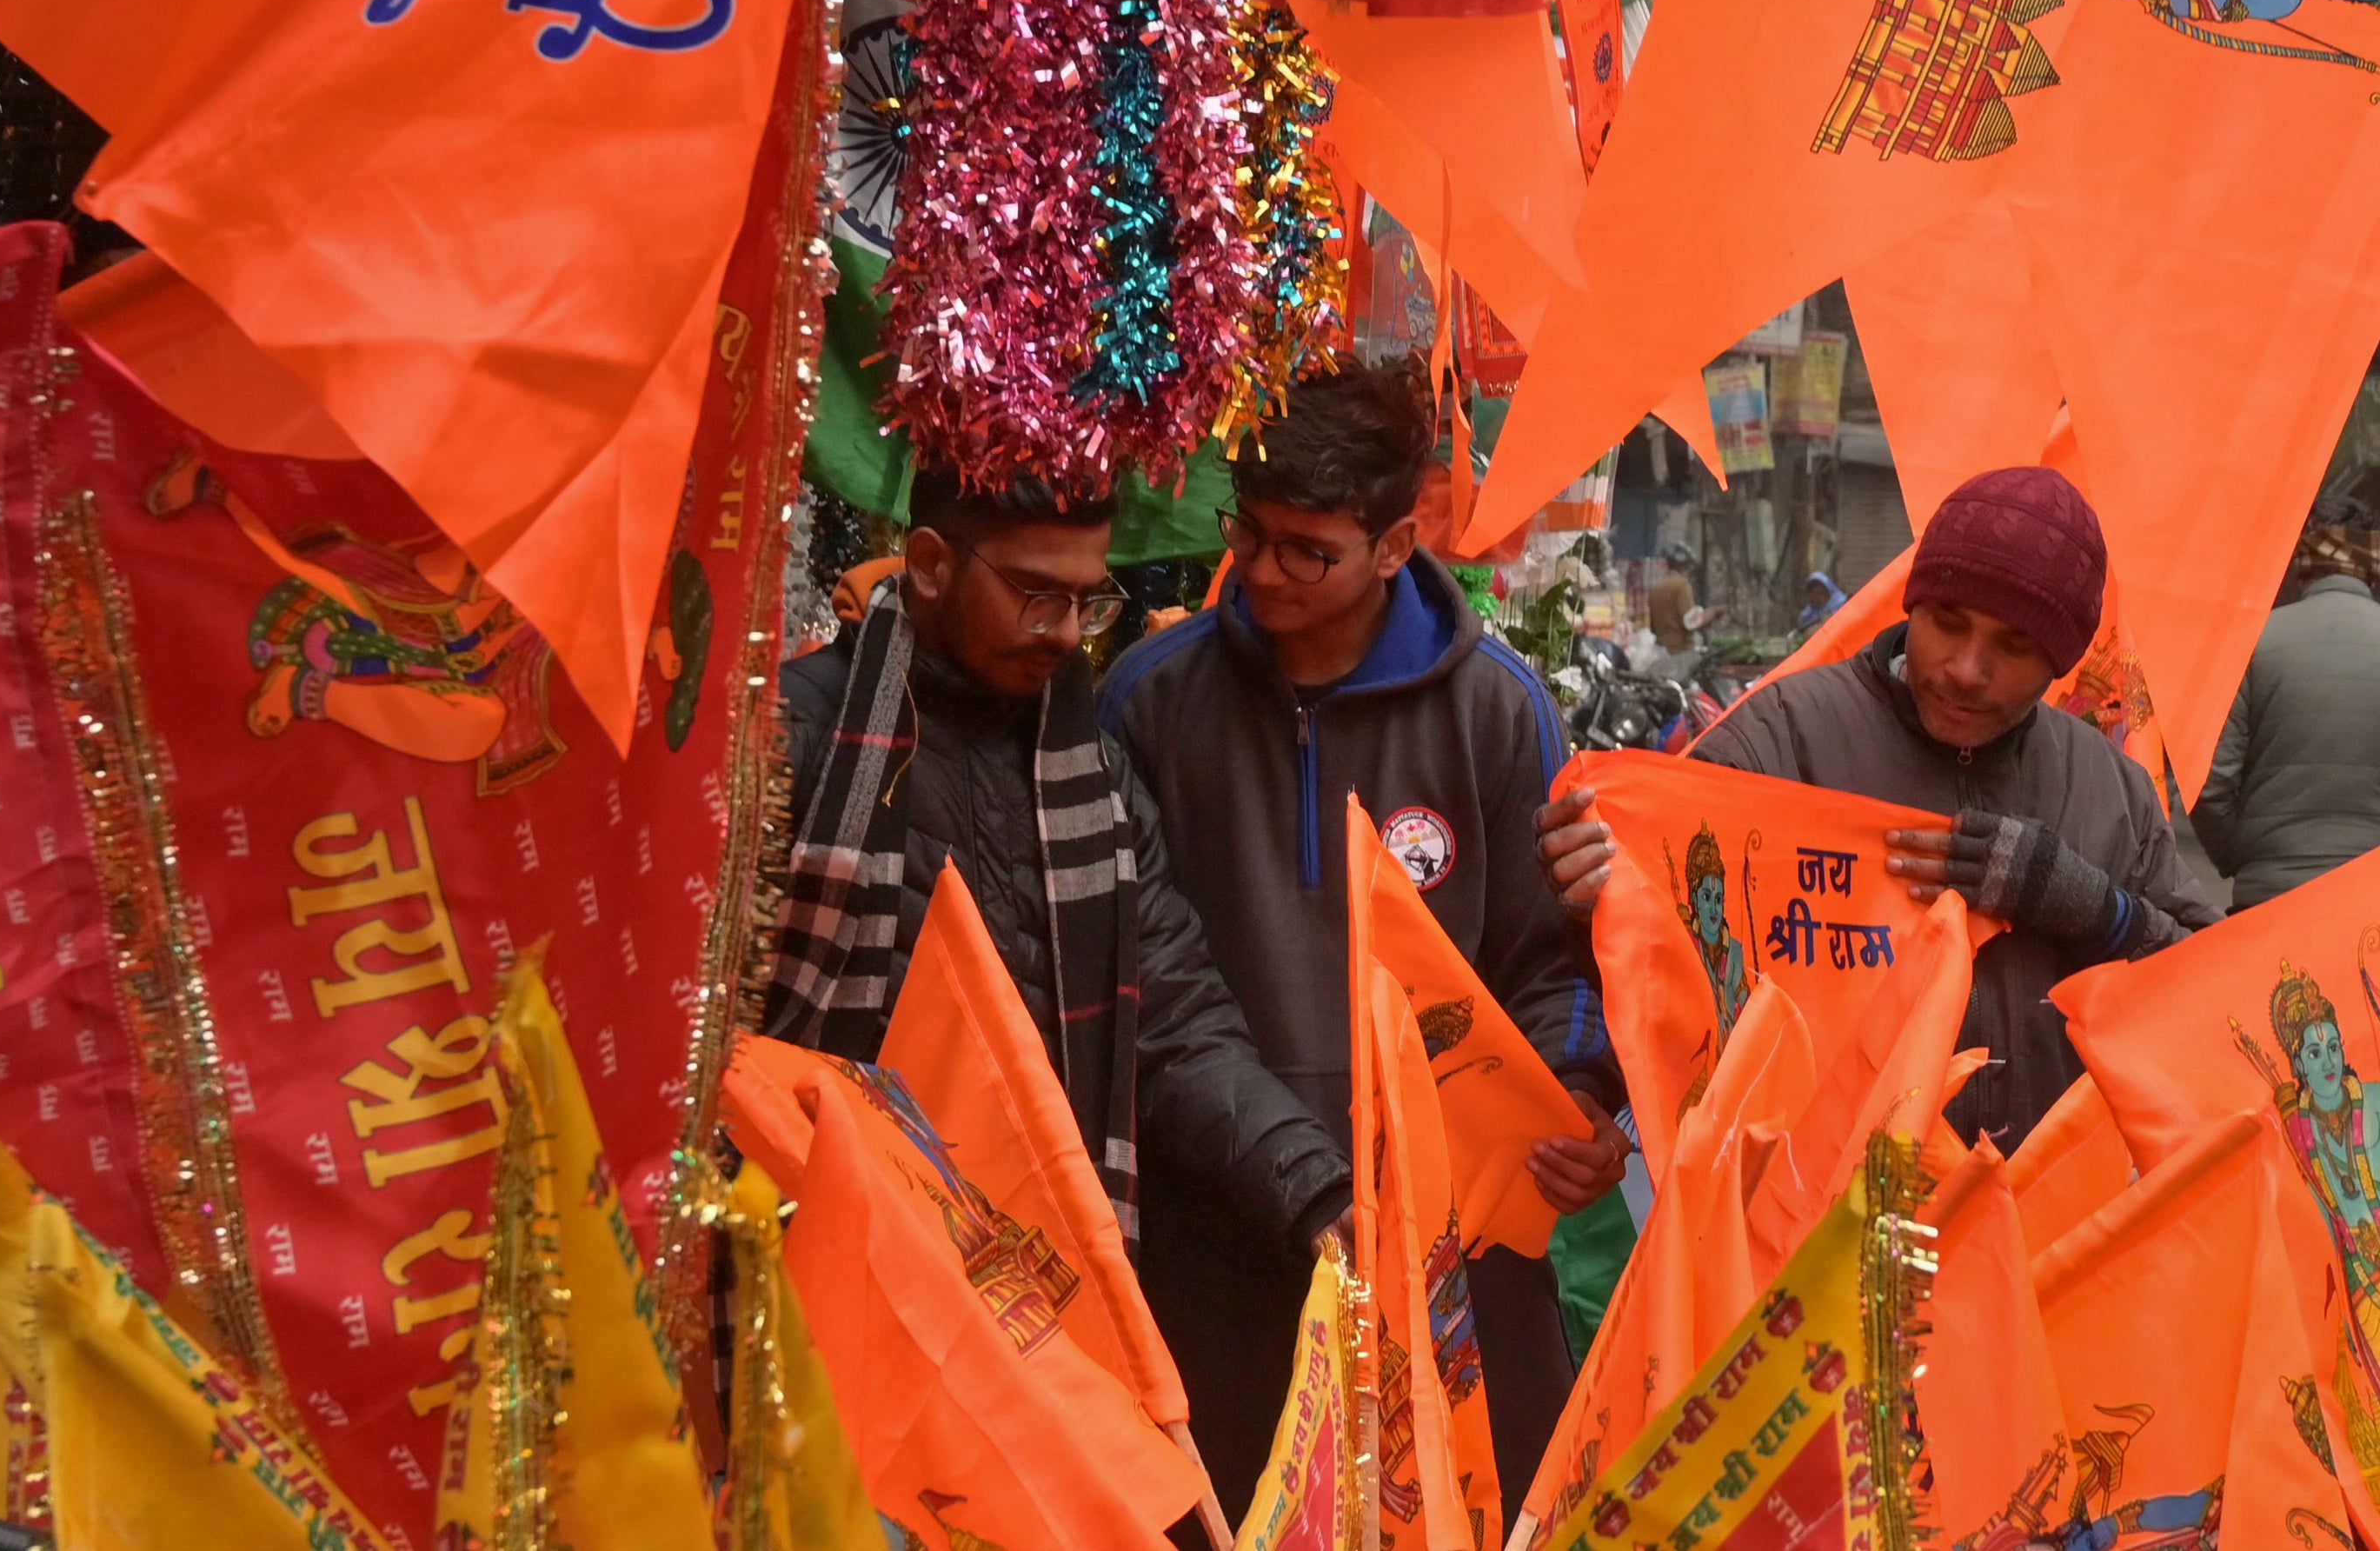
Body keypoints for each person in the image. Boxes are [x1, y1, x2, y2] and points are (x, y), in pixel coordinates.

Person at [1099, 363, 1623, 1509]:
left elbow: (1552, 958)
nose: (1263, 570)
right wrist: (1309, 1187)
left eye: (1307, 549)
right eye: (1250, 533)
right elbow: (1148, 994)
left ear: (1392, 546)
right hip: (1220, 1250)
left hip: (1454, 1255)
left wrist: (1577, 1097)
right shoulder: (1147, 700)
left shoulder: (1496, 706)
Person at [765, 460, 1347, 1431]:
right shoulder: (803, 737)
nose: (1069, 632)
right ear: (930, 562)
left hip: (1039, 1300)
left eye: (1089, 599)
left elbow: (1175, 1016)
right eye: (1039, 593)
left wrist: (1312, 1186)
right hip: (836, 1283)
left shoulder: (1093, 767)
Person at [1539, 466, 2214, 1148]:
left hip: (2040, 1222)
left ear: (2059, 662)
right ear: (1913, 607)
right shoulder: (1780, 742)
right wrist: (1586, 901)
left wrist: (2092, 909)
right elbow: (1660, 969)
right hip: (1809, 1220)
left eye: (2014, 647)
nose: (1966, 670)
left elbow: (2211, 1000)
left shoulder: (2108, 788)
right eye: (1949, 625)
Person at [2186, 505, 2380, 907]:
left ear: (2300, 565)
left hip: (2271, 897)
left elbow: (2210, 783)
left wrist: (2241, 857)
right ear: (2375, 566)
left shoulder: (2250, 644)